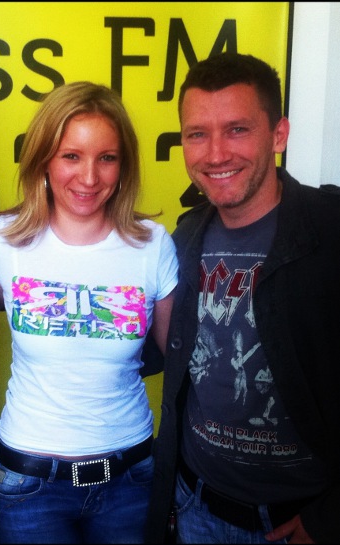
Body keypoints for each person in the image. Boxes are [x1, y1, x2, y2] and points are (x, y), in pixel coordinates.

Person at [144, 52, 340, 544]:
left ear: (278, 134)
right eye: (197, 134)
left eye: (237, 130)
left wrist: (330, 518)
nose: (215, 154)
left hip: (301, 522)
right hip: (196, 508)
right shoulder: (182, 240)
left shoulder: (331, 231)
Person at [0, 81, 178, 544]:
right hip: (30, 484)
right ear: (44, 159)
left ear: (124, 164)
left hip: (130, 479)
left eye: (106, 157)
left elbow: (185, 366)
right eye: (71, 156)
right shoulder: (5, 239)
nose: (89, 178)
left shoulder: (153, 245)